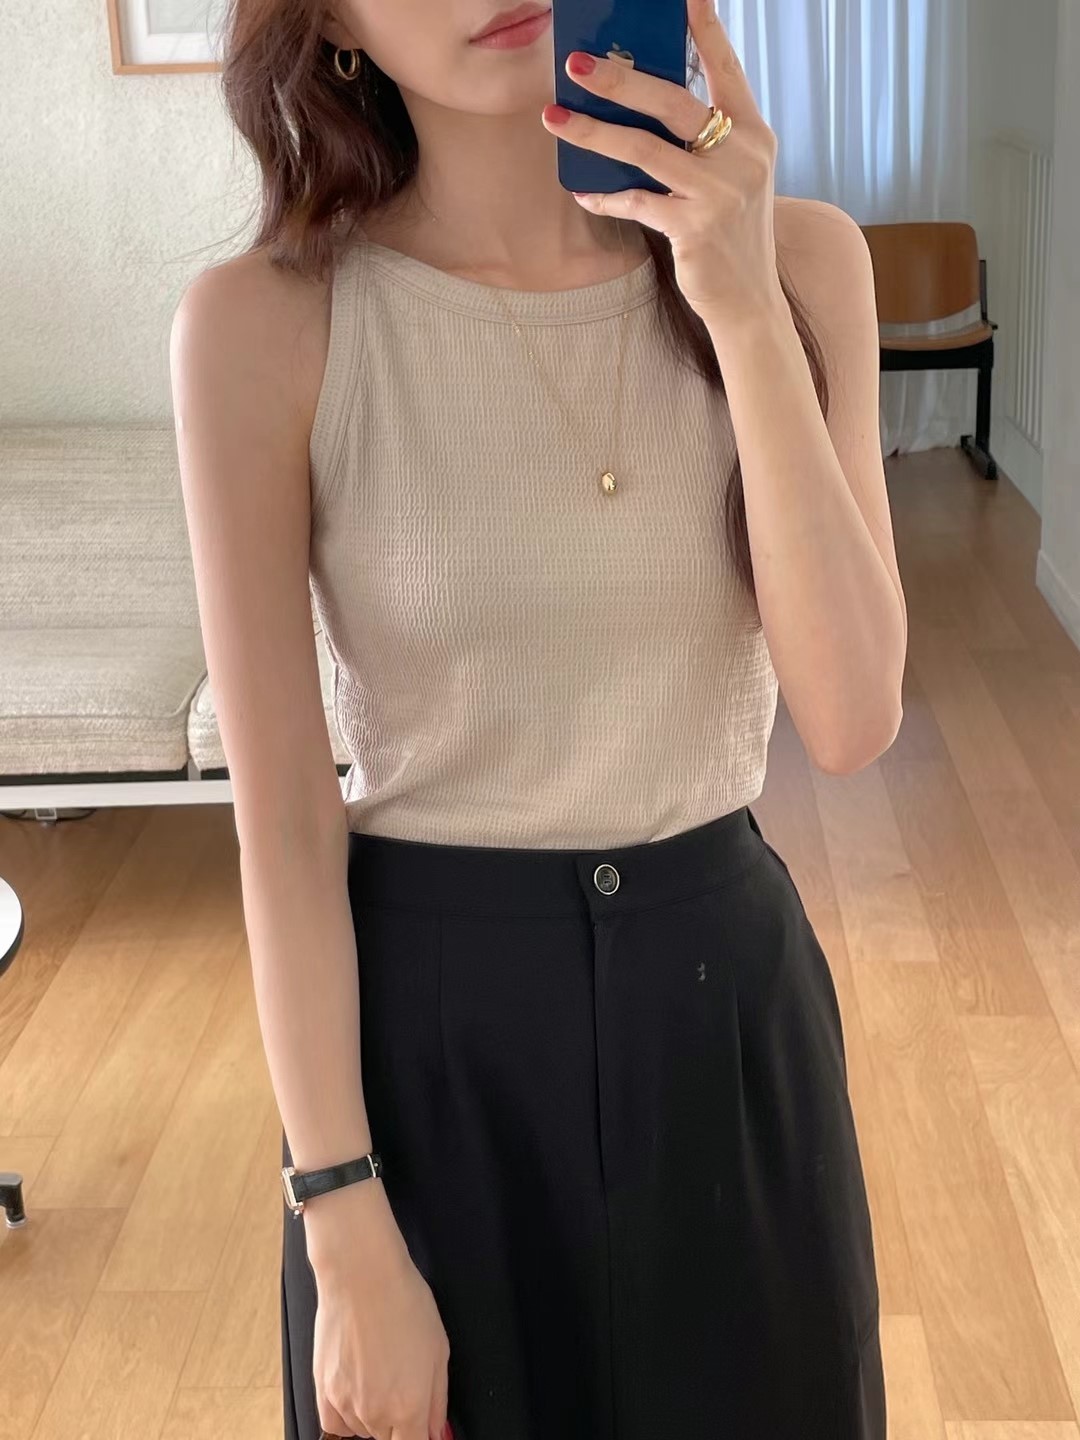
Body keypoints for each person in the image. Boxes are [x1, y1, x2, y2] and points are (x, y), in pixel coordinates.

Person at [170, 0, 907, 1435]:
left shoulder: (804, 263)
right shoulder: (266, 324)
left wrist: (741, 303)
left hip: (723, 1022)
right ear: (329, 21)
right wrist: (343, 1222)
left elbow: (851, 717)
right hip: (427, 1056)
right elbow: (285, 827)